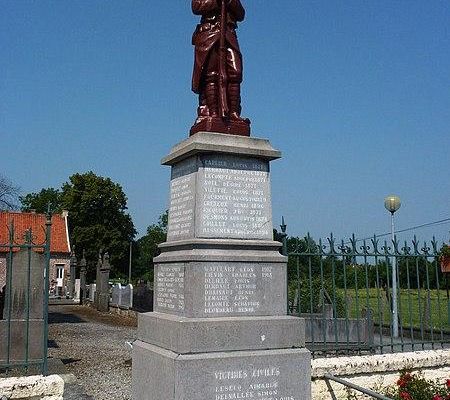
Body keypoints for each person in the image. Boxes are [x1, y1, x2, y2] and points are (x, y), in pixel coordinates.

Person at [191, 0, 250, 134]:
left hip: (228, 33)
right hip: (209, 32)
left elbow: (241, 14)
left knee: (235, 72)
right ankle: (213, 113)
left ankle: (234, 113)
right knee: (211, 75)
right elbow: (197, 6)